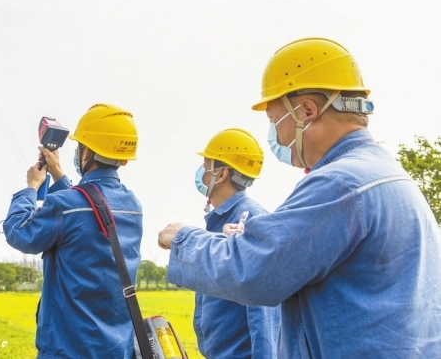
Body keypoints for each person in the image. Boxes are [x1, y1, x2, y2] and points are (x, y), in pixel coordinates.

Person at [158, 37, 441, 358]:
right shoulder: (386, 173)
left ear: (307, 110)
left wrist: (183, 238)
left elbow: (254, 272)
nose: (275, 137)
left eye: (273, 120)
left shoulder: (339, 183)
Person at [4, 103, 143, 359]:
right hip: (117, 348)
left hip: (68, 348)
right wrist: (58, 176)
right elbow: (87, 211)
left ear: (86, 151)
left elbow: (18, 232)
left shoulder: (65, 205)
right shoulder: (133, 206)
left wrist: (31, 189)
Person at [192, 128, 279, 358]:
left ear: (221, 174)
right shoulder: (221, 222)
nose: (202, 171)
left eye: (206, 164)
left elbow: (263, 312)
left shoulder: (250, 220)